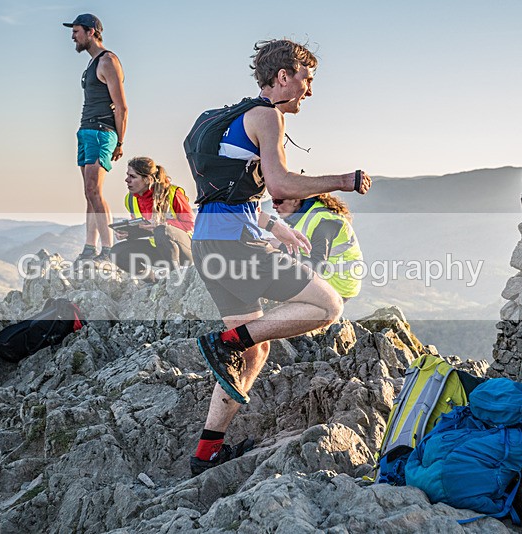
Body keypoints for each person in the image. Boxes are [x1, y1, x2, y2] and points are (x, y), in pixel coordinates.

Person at [186, 39, 371, 475]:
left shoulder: (225, 119)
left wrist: (274, 225)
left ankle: (206, 452)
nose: (310, 90)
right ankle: (224, 342)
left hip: (207, 244)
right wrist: (344, 180)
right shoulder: (268, 115)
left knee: (254, 351)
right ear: (284, 76)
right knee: (328, 305)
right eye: (307, 79)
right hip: (235, 246)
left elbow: (227, 194)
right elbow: (281, 184)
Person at [63, 14, 128, 263]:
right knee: (89, 193)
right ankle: (90, 248)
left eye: (76, 31)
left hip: (102, 131)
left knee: (94, 190)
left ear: (91, 32)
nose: (73, 37)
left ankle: (108, 250)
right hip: (86, 130)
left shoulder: (108, 61)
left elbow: (121, 107)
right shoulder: (92, 64)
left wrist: (119, 142)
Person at [112, 157, 194, 279]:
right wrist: (129, 233)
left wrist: (163, 224)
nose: (127, 180)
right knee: (117, 252)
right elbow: (146, 229)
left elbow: (191, 225)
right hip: (159, 249)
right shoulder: (130, 200)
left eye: (132, 176)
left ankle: (175, 278)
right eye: (127, 175)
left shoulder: (173, 193)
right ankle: (152, 282)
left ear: (147, 180)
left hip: (185, 250)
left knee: (161, 230)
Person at [272, 193, 363, 301]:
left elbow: (318, 267)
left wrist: (281, 247)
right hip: (326, 279)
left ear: (296, 200)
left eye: (278, 201)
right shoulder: (302, 217)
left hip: (338, 286)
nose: (274, 206)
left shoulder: (323, 221)